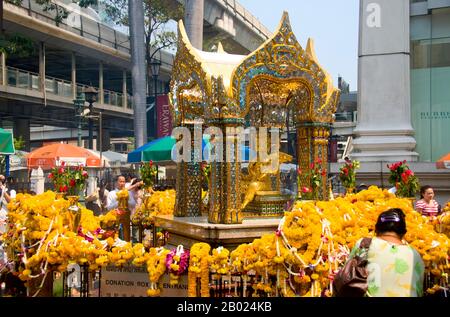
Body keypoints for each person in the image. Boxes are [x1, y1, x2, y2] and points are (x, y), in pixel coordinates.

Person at [345, 208, 424, 297]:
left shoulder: (364, 245)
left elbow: (346, 275)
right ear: (403, 233)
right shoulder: (415, 255)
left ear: (376, 230)